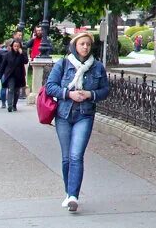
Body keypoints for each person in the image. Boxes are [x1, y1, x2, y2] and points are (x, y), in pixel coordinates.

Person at [45, 30, 110, 213]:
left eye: (88, 44)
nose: (85, 47)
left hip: (85, 115)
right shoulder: (63, 64)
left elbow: (105, 90)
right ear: (75, 45)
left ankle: (73, 195)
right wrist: (68, 93)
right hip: (64, 115)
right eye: (82, 44)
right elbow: (50, 86)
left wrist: (91, 94)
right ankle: (68, 192)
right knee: (66, 158)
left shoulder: (97, 67)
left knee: (76, 156)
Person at [0, 38, 28, 112]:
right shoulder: (8, 55)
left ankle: (14, 105)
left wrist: (22, 54)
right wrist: (0, 75)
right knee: (11, 89)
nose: (16, 48)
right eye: (15, 46)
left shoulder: (21, 54)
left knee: (17, 91)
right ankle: (10, 105)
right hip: (10, 75)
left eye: (17, 46)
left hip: (19, 75)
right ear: (12, 46)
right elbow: (3, 65)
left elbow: (25, 61)